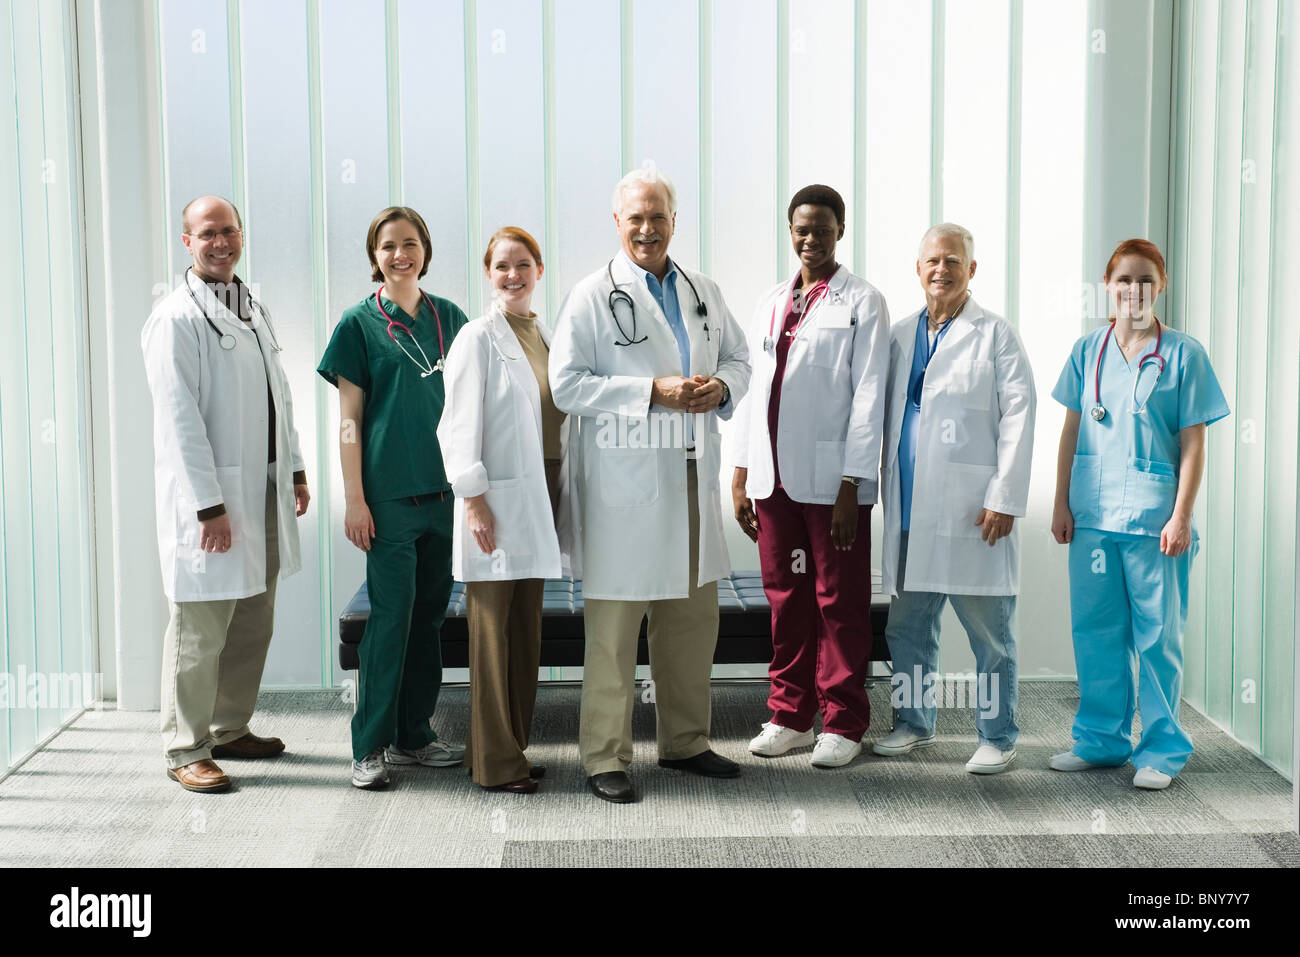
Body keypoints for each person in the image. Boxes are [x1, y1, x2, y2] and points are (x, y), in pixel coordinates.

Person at [549, 167, 751, 803]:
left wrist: (721, 389)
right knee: (613, 630)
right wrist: (650, 392)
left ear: (674, 221)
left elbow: (741, 360)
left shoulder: (702, 290)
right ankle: (604, 755)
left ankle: (686, 742)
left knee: (693, 619)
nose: (647, 227)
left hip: (692, 475)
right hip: (625, 486)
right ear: (617, 223)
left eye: (657, 216)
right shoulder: (591, 294)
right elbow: (567, 385)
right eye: (635, 217)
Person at [141, 195, 310, 793]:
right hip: (211, 502)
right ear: (186, 241)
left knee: (252, 618)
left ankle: (230, 725)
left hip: (261, 486)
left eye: (230, 231)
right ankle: (186, 745)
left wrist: (293, 468)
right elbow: (179, 422)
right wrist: (207, 506)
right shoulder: (175, 319)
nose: (221, 242)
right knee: (200, 626)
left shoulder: (250, 305)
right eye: (208, 233)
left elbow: (279, 395)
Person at [1049, 239, 1228, 790]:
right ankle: (1101, 741)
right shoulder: (1088, 351)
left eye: (1145, 281)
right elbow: (1072, 430)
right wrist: (1060, 501)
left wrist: (1181, 517)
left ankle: (1161, 751)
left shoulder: (1184, 354)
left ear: (1161, 287)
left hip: (1156, 523)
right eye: (1124, 280)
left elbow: (1194, 445)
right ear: (1109, 285)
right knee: (1097, 633)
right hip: (1094, 517)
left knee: (1157, 637)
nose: (1134, 290)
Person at [730, 185, 891, 768]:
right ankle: (790, 715)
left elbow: (870, 395)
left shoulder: (863, 302)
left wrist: (853, 482)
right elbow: (752, 389)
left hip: (832, 485)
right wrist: (743, 467)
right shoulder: (772, 301)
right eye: (801, 228)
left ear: (840, 231)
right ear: (789, 230)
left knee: (839, 601)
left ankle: (843, 721)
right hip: (773, 481)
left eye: (822, 228)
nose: (810, 238)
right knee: (785, 598)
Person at [872, 223, 1036, 775]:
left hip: (974, 510)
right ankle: (913, 723)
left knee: (990, 634)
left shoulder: (995, 335)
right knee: (908, 627)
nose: (941, 269)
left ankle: (998, 734)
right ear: (917, 268)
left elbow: (1019, 413)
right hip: (910, 509)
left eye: (954, 260)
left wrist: (1006, 495)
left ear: (972, 270)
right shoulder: (895, 334)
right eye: (932, 260)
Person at [317, 206, 468, 789]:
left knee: (430, 618)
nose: (400, 254)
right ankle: (370, 746)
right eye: (388, 246)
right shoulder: (358, 325)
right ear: (373, 255)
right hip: (386, 500)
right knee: (389, 622)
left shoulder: (450, 318)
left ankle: (414, 735)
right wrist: (355, 498)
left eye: (410, 243)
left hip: (445, 495)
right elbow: (349, 420)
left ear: (425, 251)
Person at [438, 227, 568, 795]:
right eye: (501, 266)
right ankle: (497, 765)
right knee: (492, 634)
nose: (512, 275)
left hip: (542, 492)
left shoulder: (544, 333)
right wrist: (472, 500)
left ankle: (503, 748)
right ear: (488, 274)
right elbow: (457, 425)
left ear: (539, 268)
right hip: (495, 499)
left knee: (525, 632)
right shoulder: (477, 337)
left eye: (522, 264)